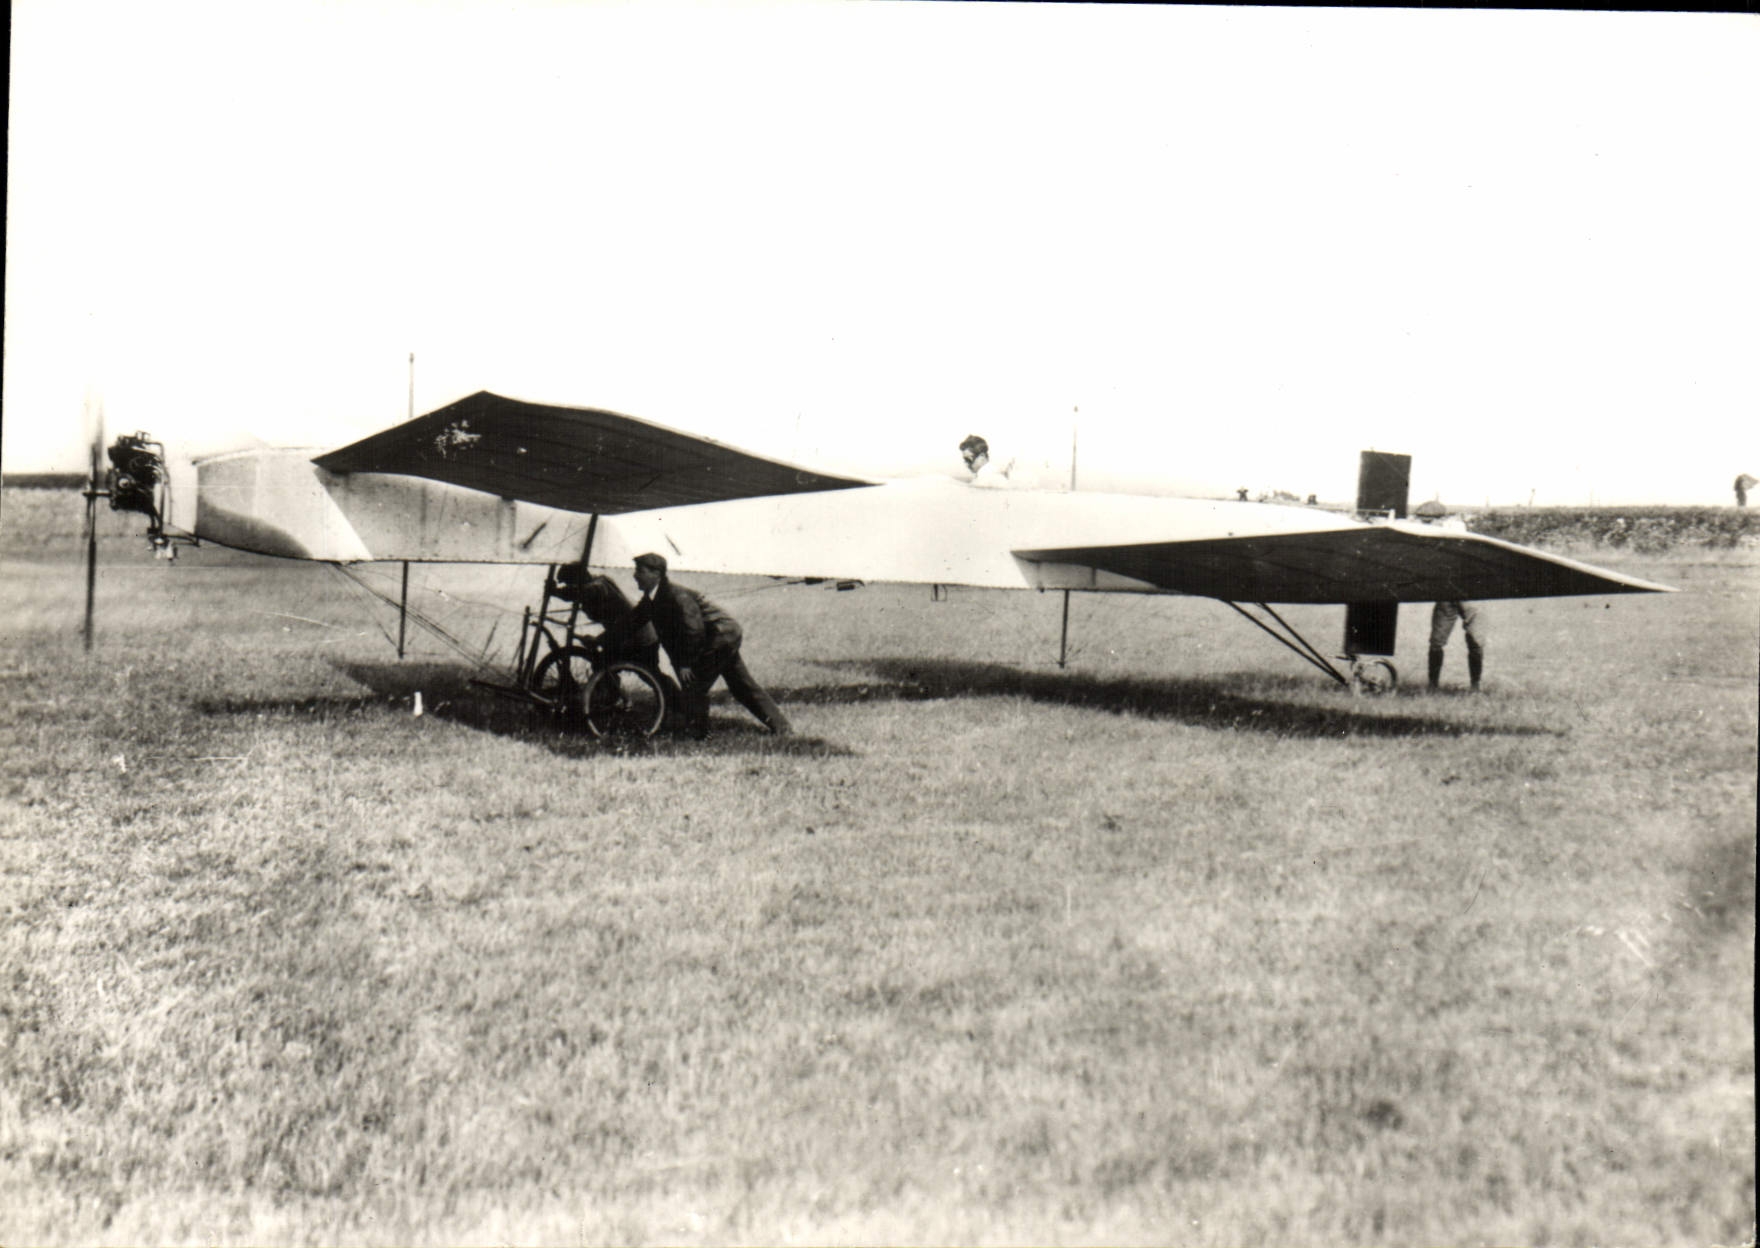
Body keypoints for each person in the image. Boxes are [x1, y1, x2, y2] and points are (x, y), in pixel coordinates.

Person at [621, 553, 792, 739]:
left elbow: (694, 630)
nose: (635, 575)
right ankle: (782, 728)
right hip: (720, 637)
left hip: (720, 638)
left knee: (694, 685)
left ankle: (698, 735)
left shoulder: (675, 595)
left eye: (640, 571)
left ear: (656, 574)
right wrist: (600, 641)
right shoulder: (653, 598)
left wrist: (685, 663)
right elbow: (631, 622)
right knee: (741, 685)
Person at [1415, 500, 1487, 692]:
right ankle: (1432, 686)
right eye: (1423, 521)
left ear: (1441, 519)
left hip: (1470, 592)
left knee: (1476, 640)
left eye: (1429, 521)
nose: (1425, 525)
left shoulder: (1456, 531)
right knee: (1436, 641)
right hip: (1446, 593)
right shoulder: (1427, 536)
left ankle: (1475, 686)